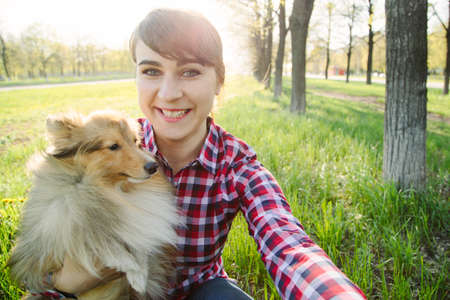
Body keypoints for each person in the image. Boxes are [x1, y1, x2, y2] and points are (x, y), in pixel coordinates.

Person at [36, 8, 366, 300]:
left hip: (200, 287)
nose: (168, 93)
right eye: (151, 71)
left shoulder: (236, 166)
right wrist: (67, 279)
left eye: (190, 71)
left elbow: (286, 242)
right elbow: (49, 260)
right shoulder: (107, 148)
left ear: (219, 81)